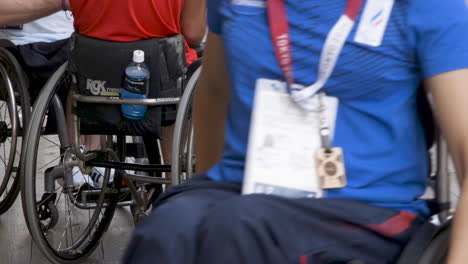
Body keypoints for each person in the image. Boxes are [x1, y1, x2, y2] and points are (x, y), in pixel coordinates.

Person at [123, 0, 468, 264]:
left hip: (365, 204)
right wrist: (204, 192)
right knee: (168, 228)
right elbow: (215, 91)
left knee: (238, 227)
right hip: (246, 186)